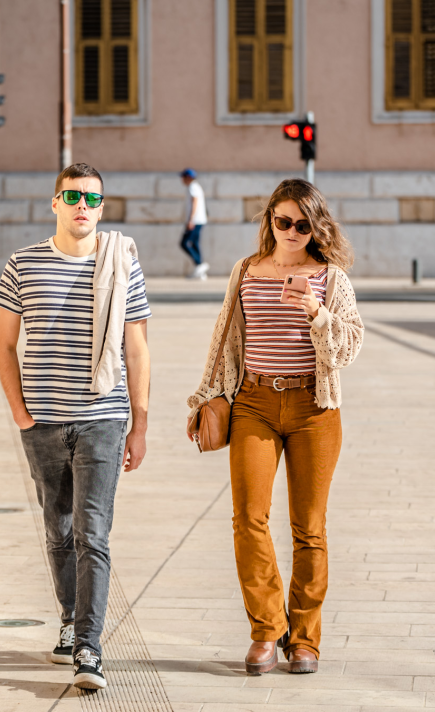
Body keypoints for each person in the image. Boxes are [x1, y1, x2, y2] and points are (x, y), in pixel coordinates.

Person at [186, 178, 363, 675]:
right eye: (282, 221)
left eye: (302, 225)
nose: (291, 231)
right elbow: (223, 337)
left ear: (315, 227)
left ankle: (304, 639)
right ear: (269, 221)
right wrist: (206, 395)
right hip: (254, 403)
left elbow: (348, 348)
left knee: (309, 528)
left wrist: (317, 313)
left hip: (314, 408)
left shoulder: (331, 279)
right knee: (249, 518)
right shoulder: (245, 271)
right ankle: (267, 630)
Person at [0, 162, 152, 690]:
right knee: (58, 530)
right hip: (41, 422)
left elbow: (137, 347)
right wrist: (20, 412)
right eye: (73, 197)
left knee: (92, 532)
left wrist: (140, 423)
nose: (83, 206)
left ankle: (89, 645)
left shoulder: (121, 263)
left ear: (101, 207)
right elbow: (4, 346)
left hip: (102, 420)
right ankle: (68, 622)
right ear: (55, 203)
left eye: (92, 199)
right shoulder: (23, 265)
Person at [180, 168, 209, 280]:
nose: (182, 180)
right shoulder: (195, 187)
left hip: (195, 221)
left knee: (184, 243)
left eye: (183, 177)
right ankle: (201, 272)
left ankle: (200, 264)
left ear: (188, 177)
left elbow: (195, 202)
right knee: (195, 243)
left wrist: (191, 220)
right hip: (199, 220)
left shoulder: (193, 187)